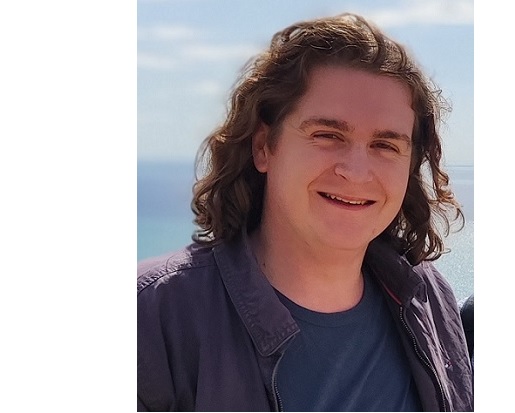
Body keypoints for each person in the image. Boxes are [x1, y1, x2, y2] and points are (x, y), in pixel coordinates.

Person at [138, 13, 473, 412]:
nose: (356, 171)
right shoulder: (153, 318)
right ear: (264, 146)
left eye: (386, 145)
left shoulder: (425, 298)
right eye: (328, 135)